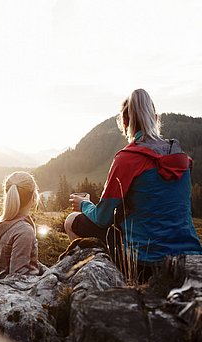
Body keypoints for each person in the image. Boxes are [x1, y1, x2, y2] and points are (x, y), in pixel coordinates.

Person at [64, 89, 202, 279]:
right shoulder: (183, 160)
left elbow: (103, 218)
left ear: (126, 122)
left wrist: (84, 205)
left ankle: (97, 276)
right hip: (190, 256)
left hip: (144, 261)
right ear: (155, 118)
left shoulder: (127, 159)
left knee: (72, 220)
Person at [0, 171, 47, 279]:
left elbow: (29, 260)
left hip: (4, 284)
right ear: (33, 197)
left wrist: (49, 272)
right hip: (20, 290)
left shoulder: (9, 223)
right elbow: (19, 276)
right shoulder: (24, 231)